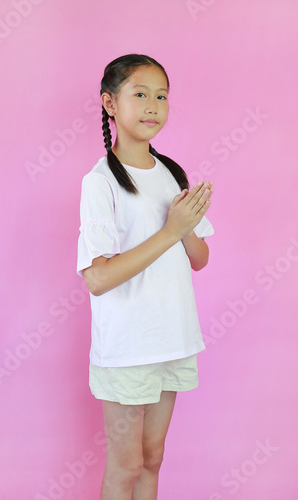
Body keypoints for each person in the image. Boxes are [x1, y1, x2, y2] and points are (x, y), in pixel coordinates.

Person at [76, 53, 215, 500]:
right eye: (141, 94)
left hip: (171, 335)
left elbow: (199, 258)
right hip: (127, 344)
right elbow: (97, 279)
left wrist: (187, 223)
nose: (154, 105)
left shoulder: (172, 173)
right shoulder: (100, 182)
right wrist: (170, 230)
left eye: (162, 96)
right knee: (126, 465)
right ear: (109, 103)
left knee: (153, 457)